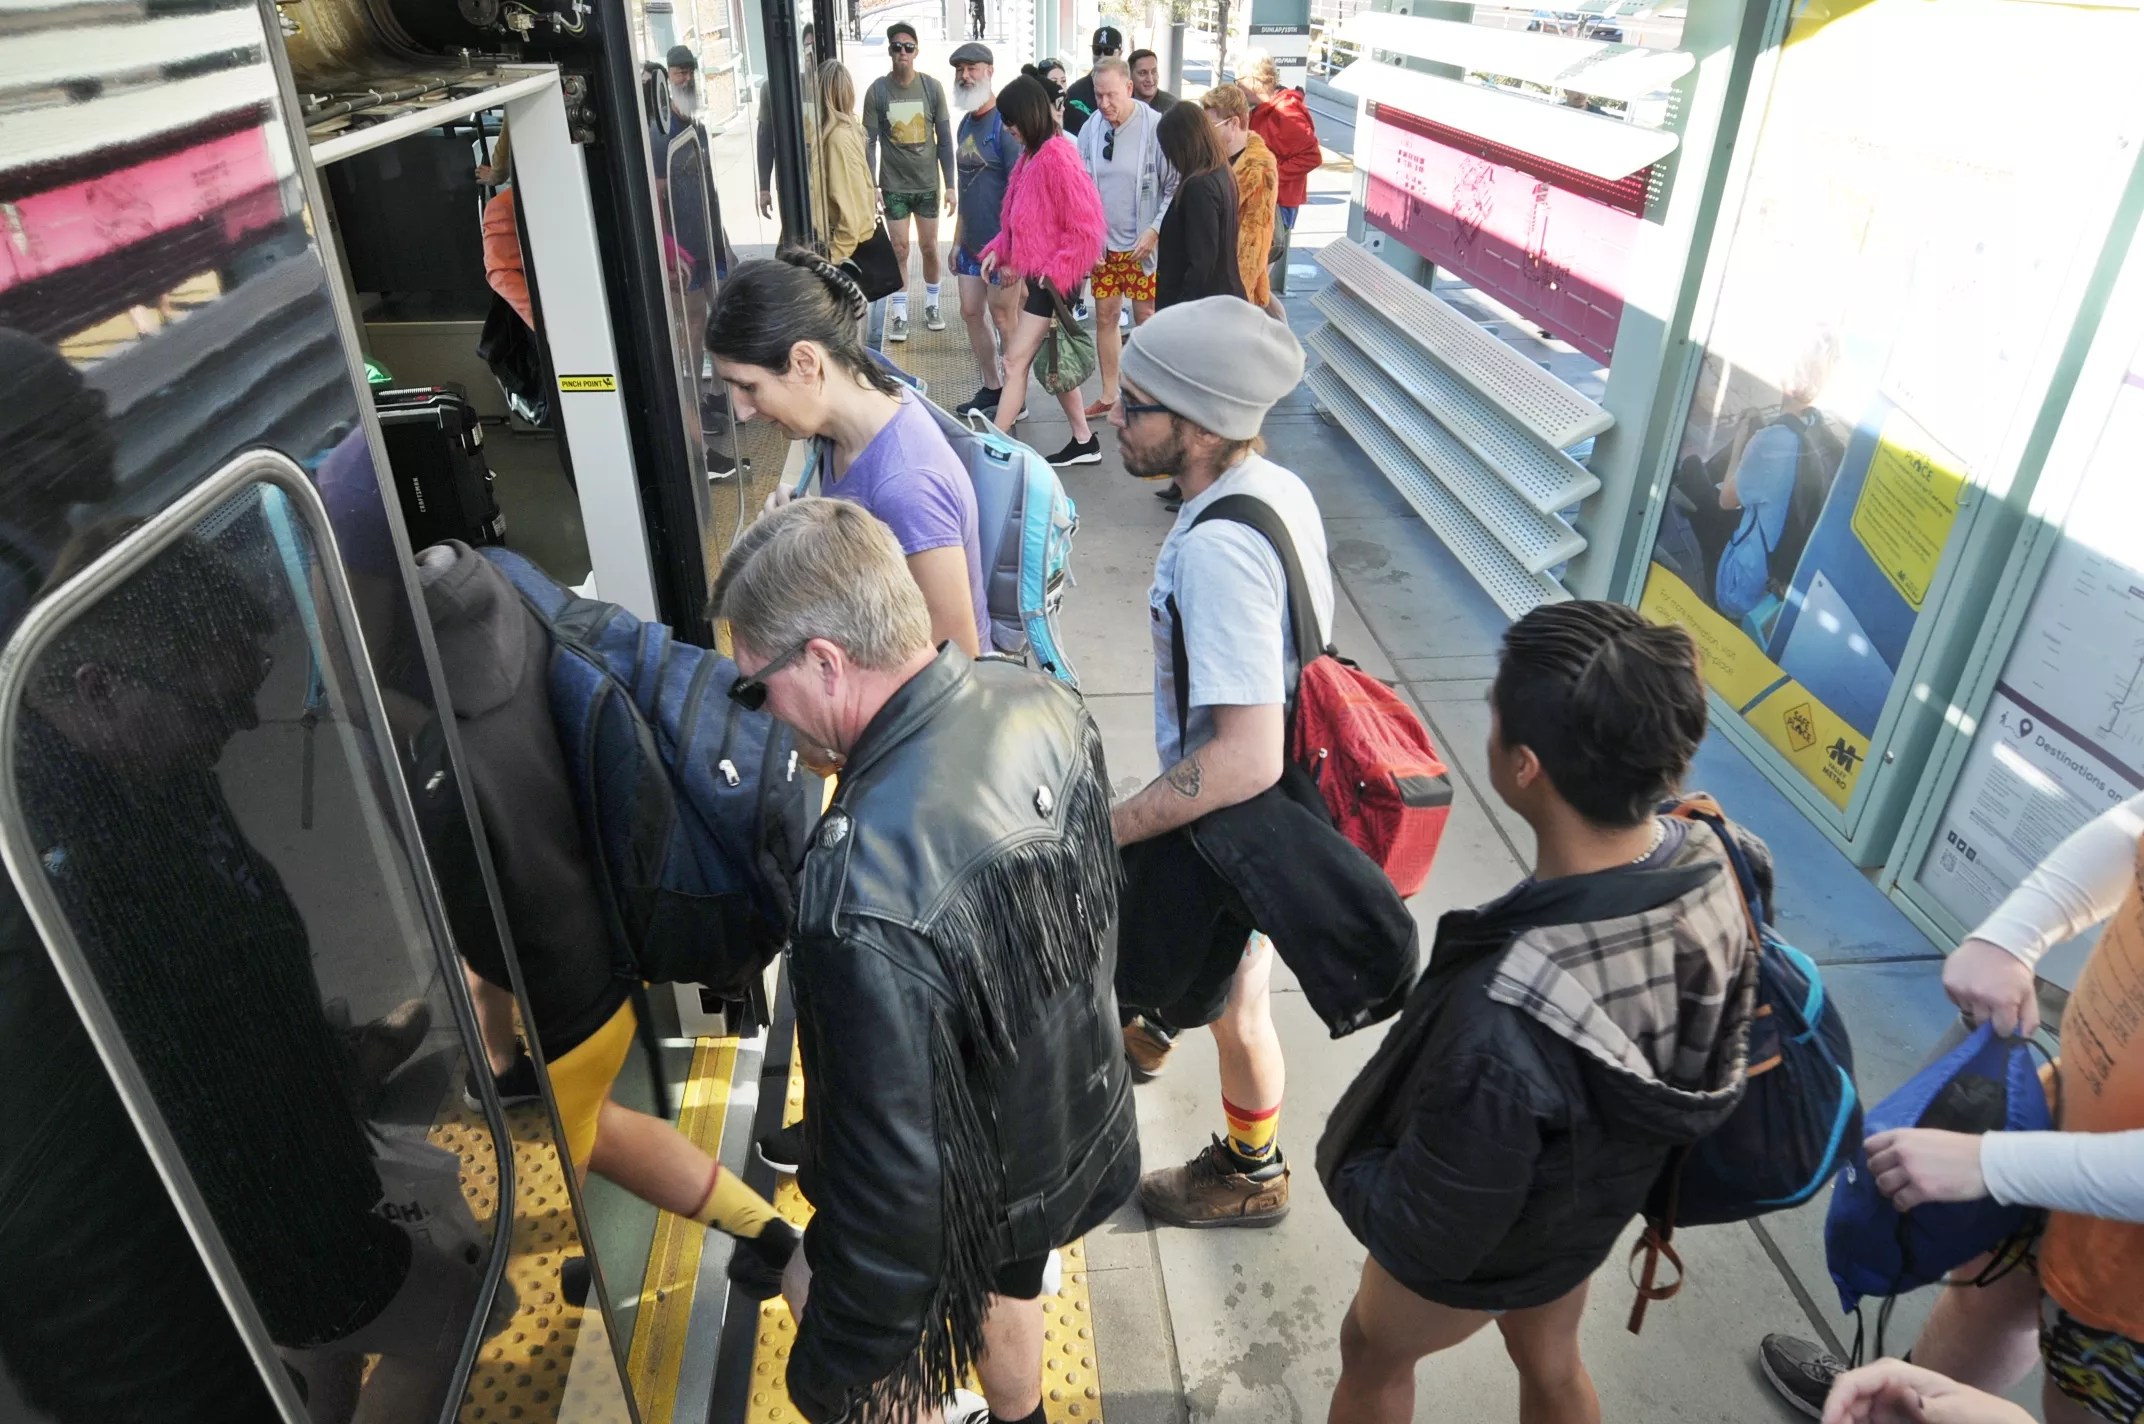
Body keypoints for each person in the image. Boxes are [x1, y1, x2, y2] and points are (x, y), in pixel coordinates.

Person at [710, 497, 1136, 1424]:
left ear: (825, 662)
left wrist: (834, 1366)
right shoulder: (1040, 701)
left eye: (755, 690)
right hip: (1067, 1125)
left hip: (970, 1179)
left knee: (816, 1287)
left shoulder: (861, 884)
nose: (761, 717)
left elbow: (893, 1196)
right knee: (1009, 1286)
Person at [1322, 600, 1757, 1424]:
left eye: (1495, 707)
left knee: (1372, 1353)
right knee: (1551, 1360)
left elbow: (1425, 1235)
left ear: (1525, 767)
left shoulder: (1507, 1020)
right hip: (1587, 1205)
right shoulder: (1717, 854)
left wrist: (1359, 1172)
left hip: (1496, 1230)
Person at [423, 540, 800, 1300]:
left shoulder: (437, 759)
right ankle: (768, 1235)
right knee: (599, 1123)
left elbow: (475, 936)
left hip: (560, 1001)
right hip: (608, 958)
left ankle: (607, 1268)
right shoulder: (516, 589)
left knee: (587, 1141)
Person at [1760, 791, 2144, 1424]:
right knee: (1988, 1292)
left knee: (2073, 1396)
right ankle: (1894, 1403)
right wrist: (2013, 935)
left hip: (2131, 1273)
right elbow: (2134, 825)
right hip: (2068, 1116)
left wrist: (1994, 1165)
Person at [1105, 298, 1330, 1225]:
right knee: (1233, 989)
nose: (1115, 415)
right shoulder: (1273, 488)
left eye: (1134, 406)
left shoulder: (1219, 553)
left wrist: (1115, 827)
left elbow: (1244, 757)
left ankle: (1251, 1171)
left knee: (1241, 1005)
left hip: (1236, 822)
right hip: (1257, 815)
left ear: (1199, 428)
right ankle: (1157, 1027)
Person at [708, 252, 990, 656]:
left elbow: (957, 664)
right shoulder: (848, 421)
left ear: (805, 362)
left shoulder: (907, 487)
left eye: (748, 387)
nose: (741, 411)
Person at [977, 75, 1105, 463]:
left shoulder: (1055, 157)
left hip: (1053, 280)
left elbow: (1087, 230)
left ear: (1028, 115)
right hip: (1045, 277)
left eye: (1010, 119)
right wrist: (1001, 249)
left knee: (1014, 360)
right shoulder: (1033, 156)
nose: (1007, 127)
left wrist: (1053, 274)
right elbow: (1023, 222)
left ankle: (996, 445)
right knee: (1054, 358)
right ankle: (1084, 440)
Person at [1075, 57, 1177, 418]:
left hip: (1142, 245)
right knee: (1105, 315)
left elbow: (1173, 185)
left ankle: (1149, 394)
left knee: (1146, 315)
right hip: (1105, 245)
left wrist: (1154, 230)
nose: (1104, 104)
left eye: (1111, 95)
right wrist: (1089, 238)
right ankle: (1109, 393)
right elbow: (1080, 189)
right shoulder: (1091, 128)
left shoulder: (1155, 127)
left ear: (1129, 89)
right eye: (1098, 95)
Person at [862, 22, 956, 339]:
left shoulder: (931, 88)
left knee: (929, 248)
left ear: (916, 51)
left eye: (908, 47)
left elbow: (945, 140)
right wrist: (872, 185)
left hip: (927, 185)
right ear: (890, 51)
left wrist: (951, 185)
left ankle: (932, 305)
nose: (902, 52)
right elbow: (869, 142)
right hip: (894, 186)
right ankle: (900, 314)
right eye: (897, 47)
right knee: (899, 250)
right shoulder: (877, 91)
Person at [947, 43, 1024, 419]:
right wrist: (956, 240)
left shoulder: (1004, 127)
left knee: (1004, 319)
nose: (965, 75)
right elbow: (966, 188)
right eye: (960, 69)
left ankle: (1016, 395)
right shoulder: (965, 124)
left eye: (972, 68)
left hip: (1002, 246)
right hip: (970, 244)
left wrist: (1013, 254)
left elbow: (1021, 194)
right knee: (970, 311)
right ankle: (993, 387)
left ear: (990, 71)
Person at [1238, 50, 1321, 316]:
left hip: (1276, 205)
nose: (1237, 87)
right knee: (1256, 282)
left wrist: (1270, 176)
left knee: (1253, 282)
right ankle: (1281, 337)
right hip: (1268, 202)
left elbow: (1312, 156)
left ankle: (1272, 337)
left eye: (1239, 80)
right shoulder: (1268, 109)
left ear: (1254, 80)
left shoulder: (1285, 112)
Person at [1153, 100, 1244, 309]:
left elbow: (1202, 262)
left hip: (1202, 308)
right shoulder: (1221, 171)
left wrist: (1181, 309)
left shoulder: (1198, 187)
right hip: (1220, 300)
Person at [1201, 83, 1278, 308]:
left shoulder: (1258, 170)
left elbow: (1252, 243)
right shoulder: (1219, 158)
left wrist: (1236, 301)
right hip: (1217, 283)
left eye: (1211, 126)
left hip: (1233, 291)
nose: (1206, 133)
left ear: (1233, 123)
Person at [815, 60, 878, 266]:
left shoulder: (838, 139)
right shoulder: (845, 132)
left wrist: (828, 263)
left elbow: (850, 222)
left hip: (845, 255)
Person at [1063, 25, 1121, 136]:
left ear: (1120, 53)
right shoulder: (1075, 91)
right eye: (1097, 50)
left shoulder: (1128, 90)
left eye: (1108, 51)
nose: (1102, 56)